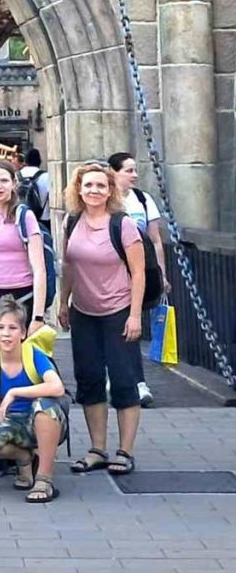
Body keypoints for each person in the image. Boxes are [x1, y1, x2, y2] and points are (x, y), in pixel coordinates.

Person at [61, 161, 144, 477]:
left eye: (100, 185)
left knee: (123, 380)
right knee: (89, 379)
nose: (94, 191)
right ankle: (97, 448)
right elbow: (69, 265)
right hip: (84, 311)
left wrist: (134, 315)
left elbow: (138, 273)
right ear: (79, 190)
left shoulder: (122, 225)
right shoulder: (72, 221)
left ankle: (125, 450)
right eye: (88, 185)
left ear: (110, 190)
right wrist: (64, 302)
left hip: (118, 310)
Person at [0, 297, 66, 503]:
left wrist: (14, 392)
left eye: (12, 328)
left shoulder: (34, 355)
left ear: (23, 332)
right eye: (0, 327)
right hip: (15, 424)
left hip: (46, 422)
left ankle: (44, 479)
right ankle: (24, 459)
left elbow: (57, 387)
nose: (6, 333)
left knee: (44, 407)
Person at [108, 151, 170, 408]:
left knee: (131, 324)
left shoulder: (143, 200)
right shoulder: (106, 200)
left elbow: (155, 240)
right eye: (129, 170)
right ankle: (134, 380)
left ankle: (130, 379)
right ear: (114, 172)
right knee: (121, 324)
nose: (134, 175)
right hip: (112, 274)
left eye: (135, 170)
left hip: (139, 271)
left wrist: (162, 273)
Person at [0, 158, 48, 350]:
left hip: (23, 296)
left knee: (27, 359)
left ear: (14, 183)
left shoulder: (24, 216)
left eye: (4, 180)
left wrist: (37, 317)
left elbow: (39, 269)